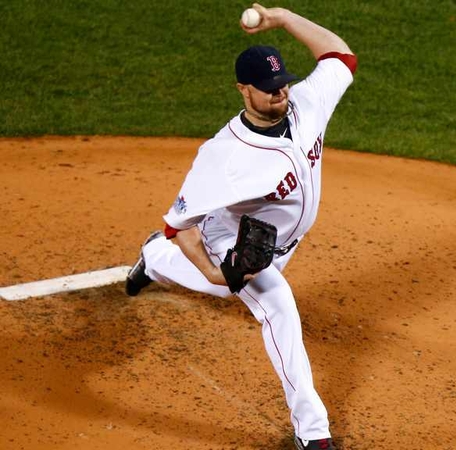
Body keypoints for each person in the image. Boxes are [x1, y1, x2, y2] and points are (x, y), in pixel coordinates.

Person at [124, 5, 357, 449]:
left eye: (282, 82)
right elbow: (180, 224)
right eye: (268, 88)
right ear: (243, 90)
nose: (280, 93)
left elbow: (340, 58)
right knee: (278, 306)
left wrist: (284, 18)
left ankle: (153, 258)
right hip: (229, 239)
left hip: (279, 244)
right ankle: (313, 432)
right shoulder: (223, 156)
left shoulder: (306, 104)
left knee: (219, 287)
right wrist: (216, 271)